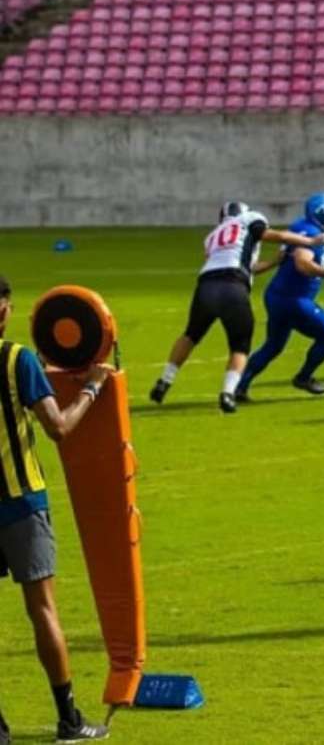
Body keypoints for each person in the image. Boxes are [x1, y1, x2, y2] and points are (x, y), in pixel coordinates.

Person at [0, 276, 112, 743]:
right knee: (42, 610)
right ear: (4, 309)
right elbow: (59, 428)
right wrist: (91, 388)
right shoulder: (15, 358)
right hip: (21, 501)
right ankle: (68, 718)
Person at [150, 201, 324, 413]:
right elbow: (277, 236)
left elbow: (245, 265)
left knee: (191, 335)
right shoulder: (250, 219)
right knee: (240, 345)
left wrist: (274, 262)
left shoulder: (211, 237)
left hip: (206, 285)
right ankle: (227, 394)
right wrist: (309, 240)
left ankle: (165, 380)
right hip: (233, 286)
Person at [235, 193, 324, 401]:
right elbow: (302, 262)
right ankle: (304, 377)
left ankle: (239, 387)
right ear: (323, 214)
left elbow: (315, 244)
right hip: (294, 300)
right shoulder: (310, 230)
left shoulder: (305, 226)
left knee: (273, 345)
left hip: (278, 296)